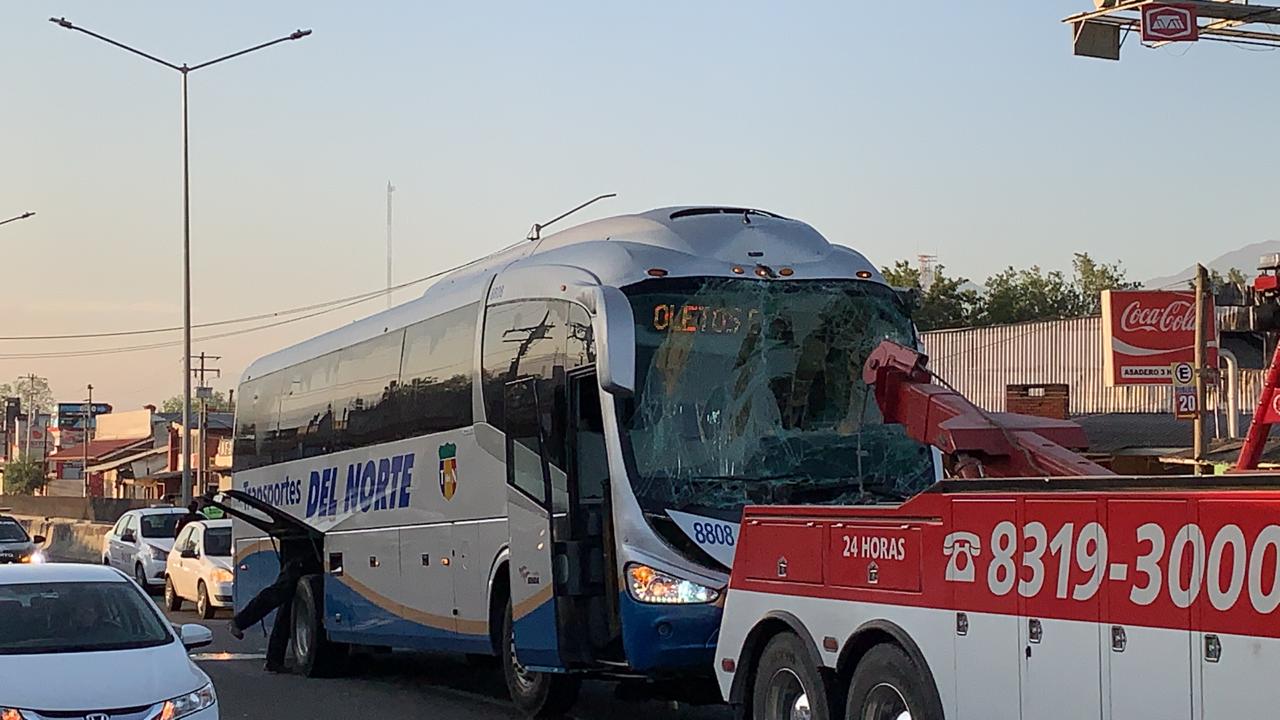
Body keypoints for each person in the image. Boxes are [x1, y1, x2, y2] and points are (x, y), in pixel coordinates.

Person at [227, 553, 308, 673]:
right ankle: (239, 622)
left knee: (286, 603)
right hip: (303, 550)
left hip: (301, 549)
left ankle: (274, 660)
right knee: (281, 592)